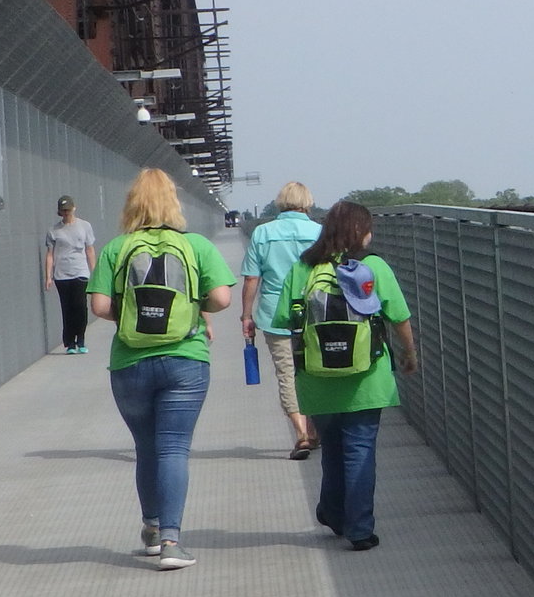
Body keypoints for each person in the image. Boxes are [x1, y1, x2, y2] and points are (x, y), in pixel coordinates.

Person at [88, 168, 233, 570]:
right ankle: (172, 541)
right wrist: (192, 308)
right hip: (185, 358)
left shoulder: (118, 248)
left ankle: (151, 530)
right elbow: (222, 298)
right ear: (174, 202)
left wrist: (135, 317)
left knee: (146, 447)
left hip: (130, 362)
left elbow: (99, 307)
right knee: (173, 448)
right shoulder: (196, 245)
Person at [288, 200, 418, 551]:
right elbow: (399, 317)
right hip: (366, 377)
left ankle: (333, 511)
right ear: (361, 232)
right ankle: (359, 529)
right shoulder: (373, 267)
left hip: (317, 377)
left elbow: (288, 320)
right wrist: (409, 353)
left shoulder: (304, 268)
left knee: (331, 445)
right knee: (359, 448)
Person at [240, 182, 325, 458]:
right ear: (308, 203)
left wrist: (246, 314)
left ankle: (300, 433)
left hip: (275, 312)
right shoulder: (319, 232)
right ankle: (313, 429)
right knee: (313, 369)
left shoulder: (263, 233)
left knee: (286, 373)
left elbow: (252, 278)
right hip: (315, 311)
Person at [42, 197, 98, 355]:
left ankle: (81, 339)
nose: (66, 214)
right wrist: (48, 276)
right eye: (63, 211)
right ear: (60, 212)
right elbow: (50, 255)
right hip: (62, 275)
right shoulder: (54, 231)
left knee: (80, 307)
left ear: (74, 209)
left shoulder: (84, 226)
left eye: (68, 210)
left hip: (80, 271)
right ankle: (70, 343)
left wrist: (94, 272)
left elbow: (89, 250)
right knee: (67, 309)